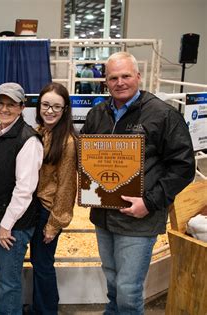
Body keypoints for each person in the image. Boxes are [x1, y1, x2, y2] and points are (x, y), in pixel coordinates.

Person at [80, 51, 195, 314]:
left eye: (126, 76)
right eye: (113, 77)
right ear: (105, 82)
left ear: (138, 76)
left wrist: (150, 202)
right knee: (111, 281)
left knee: (129, 290)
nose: (120, 82)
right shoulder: (98, 114)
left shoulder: (163, 115)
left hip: (140, 218)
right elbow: (87, 158)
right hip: (104, 215)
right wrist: (89, 189)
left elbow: (184, 166)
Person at [0, 83, 43, 314]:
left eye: (11, 105)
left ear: (21, 107)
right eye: (0, 103)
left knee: (9, 280)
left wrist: (6, 226)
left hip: (12, 226)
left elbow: (25, 189)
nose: (4, 109)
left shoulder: (28, 140)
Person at [25, 82, 78, 315]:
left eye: (56, 107)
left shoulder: (67, 142)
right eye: (46, 105)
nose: (50, 111)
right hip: (33, 206)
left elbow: (67, 185)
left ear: (65, 110)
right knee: (39, 262)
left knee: (44, 264)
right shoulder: (39, 132)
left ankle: (46, 311)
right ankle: (40, 308)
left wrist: (55, 223)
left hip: (49, 210)